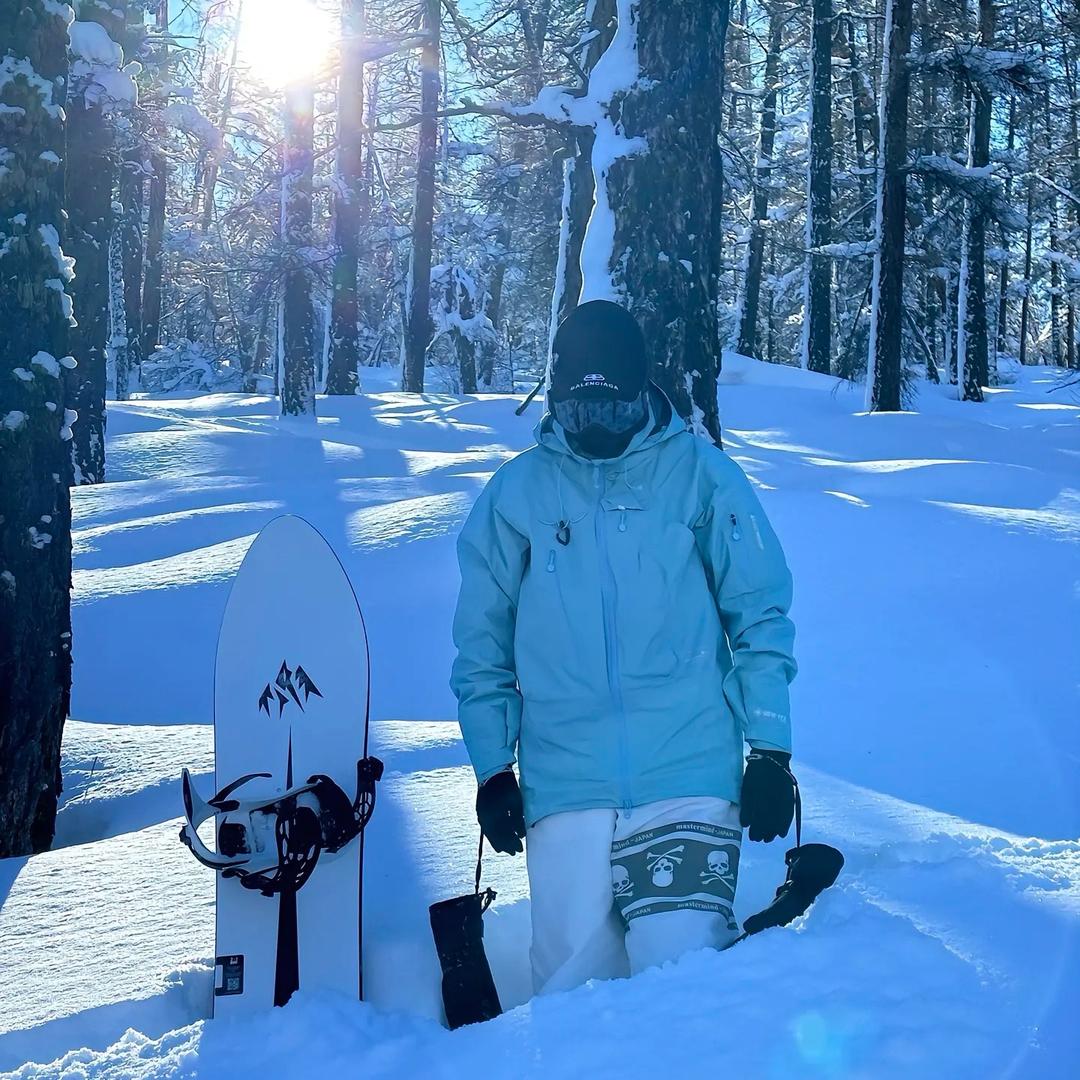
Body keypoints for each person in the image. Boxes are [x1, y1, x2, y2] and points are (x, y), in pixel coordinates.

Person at [450, 299, 797, 994]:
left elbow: (758, 613)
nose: (595, 431)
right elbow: (481, 645)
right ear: (556, 401)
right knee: (572, 995)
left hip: (688, 771)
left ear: (645, 394)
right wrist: (493, 769)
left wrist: (770, 749)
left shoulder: (701, 477)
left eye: (613, 411)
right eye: (580, 412)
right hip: (563, 781)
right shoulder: (517, 494)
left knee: (681, 978)